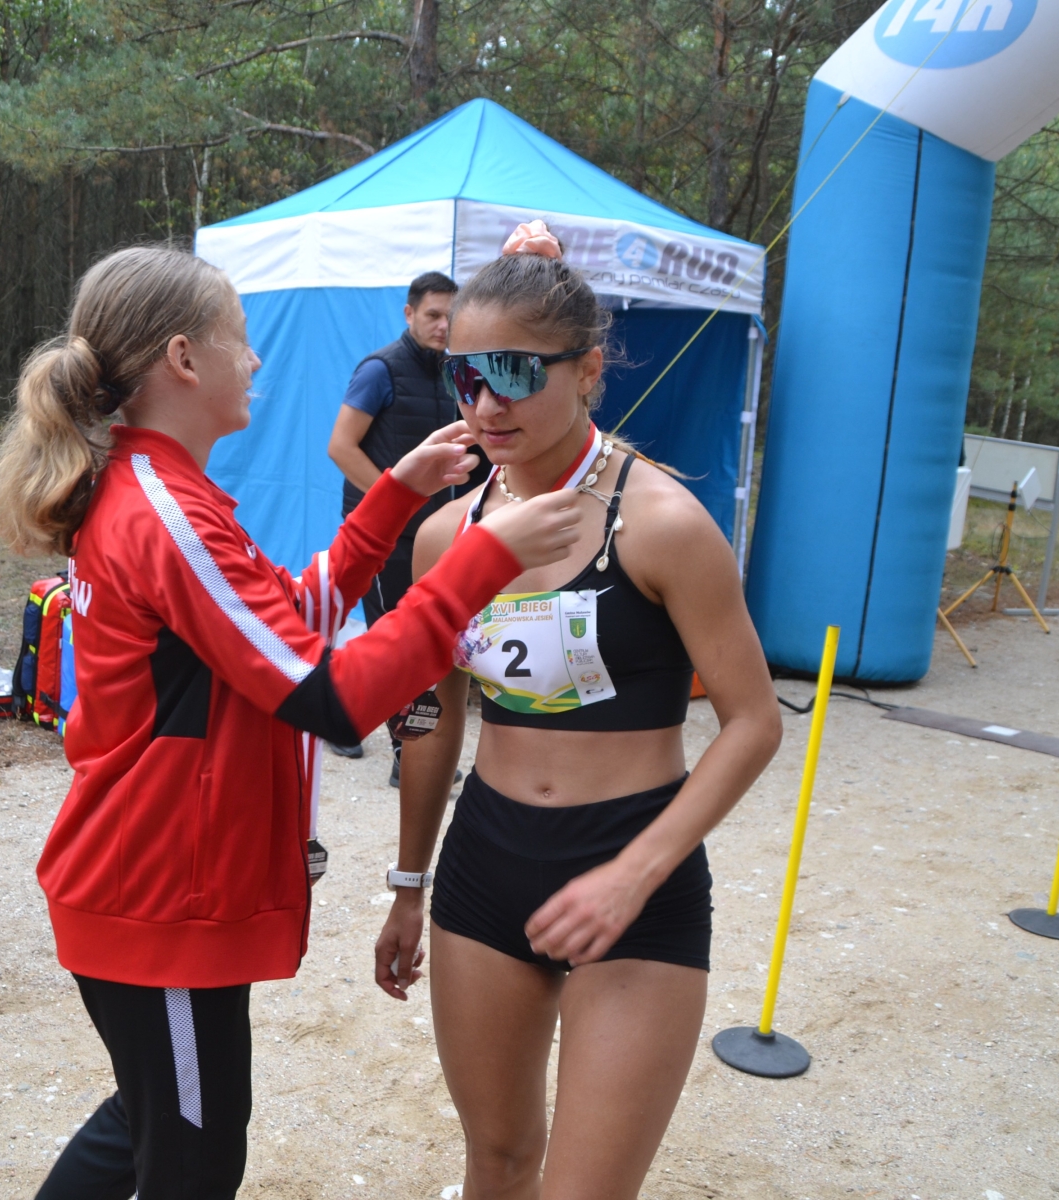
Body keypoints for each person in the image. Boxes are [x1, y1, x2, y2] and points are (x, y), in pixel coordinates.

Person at [0, 244, 584, 1200]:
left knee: (149, 1123)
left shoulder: (164, 495)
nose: (255, 359)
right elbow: (326, 694)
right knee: (192, 1163)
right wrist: (480, 562)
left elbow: (287, 620)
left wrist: (394, 495)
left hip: (160, 888)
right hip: (157, 899)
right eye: (240, 338)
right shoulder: (165, 515)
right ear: (184, 359)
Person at [371, 224, 783, 1200]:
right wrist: (408, 883)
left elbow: (753, 722)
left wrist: (633, 875)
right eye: (466, 375)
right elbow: (433, 721)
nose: (487, 403)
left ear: (588, 370)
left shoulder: (663, 524)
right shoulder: (445, 539)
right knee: (497, 1163)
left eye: (516, 372)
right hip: (485, 865)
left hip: (630, 871)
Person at [325, 271, 481, 779]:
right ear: (409, 313)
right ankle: (405, 755)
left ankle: (342, 719)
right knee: (396, 641)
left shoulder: (456, 371)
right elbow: (341, 446)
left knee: (417, 639)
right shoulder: (381, 370)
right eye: (432, 315)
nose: (442, 326)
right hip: (384, 534)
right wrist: (396, 502)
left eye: (450, 316)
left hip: (434, 534)